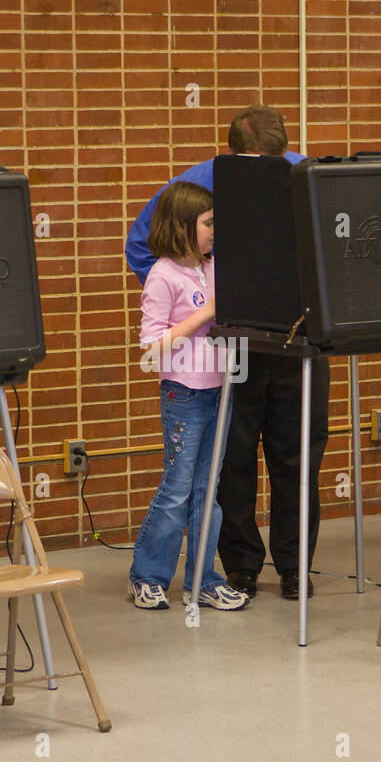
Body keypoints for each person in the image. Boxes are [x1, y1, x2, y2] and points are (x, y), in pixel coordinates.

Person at [125, 105, 328, 600]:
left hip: (297, 340)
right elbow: (142, 246)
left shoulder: (308, 179)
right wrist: (189, 297)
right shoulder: (197, 186)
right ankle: (240, 565)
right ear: (232, 155)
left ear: (284, 152)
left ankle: (295, 566)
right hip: (229, 340)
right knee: (232, 457)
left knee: (297, 454)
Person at [129, 182, 247, 611]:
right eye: (208, 223)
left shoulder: (211, 266)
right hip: (184, 394)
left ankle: (204, 577)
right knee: (177, 490)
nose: (215, 230)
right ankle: (147, 576)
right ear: (182, 227)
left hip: (220, 390)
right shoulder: (163, 275)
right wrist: (205, 313)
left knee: (207, 490)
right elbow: (152, 346)